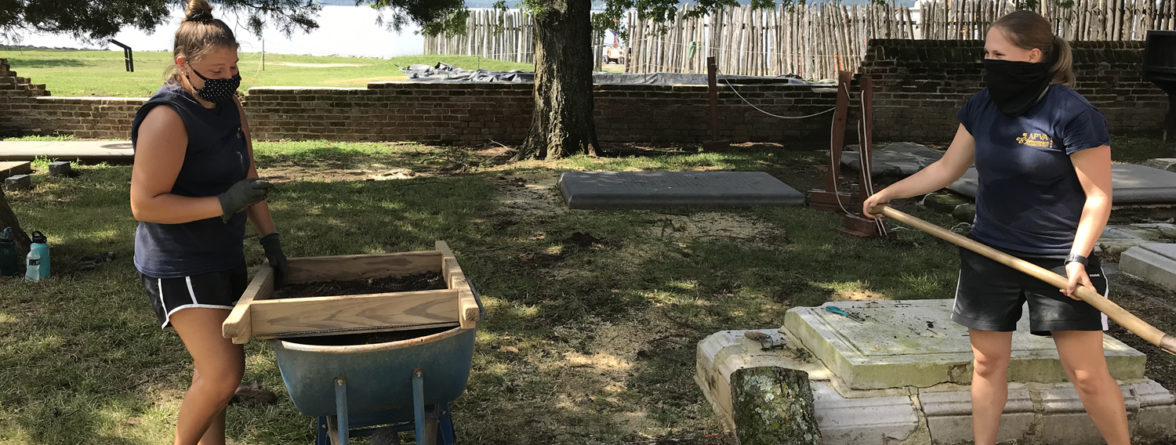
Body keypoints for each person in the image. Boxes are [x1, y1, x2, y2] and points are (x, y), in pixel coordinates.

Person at [862, 10, 1126, 445]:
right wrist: (890, 193)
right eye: (986, 53)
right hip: (990, 254)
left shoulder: (1073, 113)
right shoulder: (981, 105)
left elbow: (1098, 196)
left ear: (1032, 55)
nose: (989, 62)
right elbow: (948, 167)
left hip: (1059, 262)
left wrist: (1078, 258)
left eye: (998, 53)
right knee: (986, 365)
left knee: (1087, 375)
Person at [128, 1, 290, 444]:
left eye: (233, 68)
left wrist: (270, 240)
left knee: (210, 373)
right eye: (216, 72)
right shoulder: (166, 118)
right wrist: (222, 203)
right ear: (183, 66)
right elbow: (145, 204)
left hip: (222, 253)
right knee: (224, 374)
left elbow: (248, 177)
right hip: (177, 261)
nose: (228, 79)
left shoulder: (230, 107)